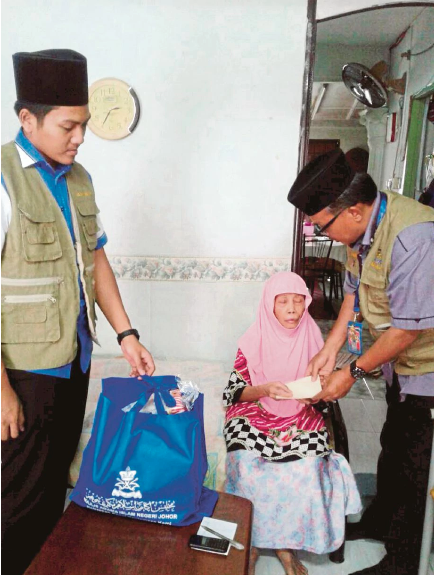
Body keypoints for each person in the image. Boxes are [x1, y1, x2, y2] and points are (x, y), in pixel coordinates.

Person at [1, 49, 155, 575]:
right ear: (28, 119)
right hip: (24, 369)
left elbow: (96, 259)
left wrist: (127, 334)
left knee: (54, 488)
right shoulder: (3, 178)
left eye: (84, 125)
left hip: (75, 359)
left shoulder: (79, 178)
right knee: (18, 497)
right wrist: (1, 389)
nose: (80, 137)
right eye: (68, 126)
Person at [287, 148, 434, 575]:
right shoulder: (363, 230)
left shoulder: (413, 236)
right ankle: (380, 520)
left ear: (353, 209)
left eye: (324, 225)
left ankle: (403, 562)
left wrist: (350, 372)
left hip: (427, 367)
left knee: (416, 463)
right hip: (401, 366)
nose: (325, 234)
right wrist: (328, 349)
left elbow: (406, 331)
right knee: (394, 445)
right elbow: (353, 294)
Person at [223, 271, 361, 575]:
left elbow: (323, 388)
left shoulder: (313, 337)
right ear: (269, 305)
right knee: (245, 463)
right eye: (283, 302)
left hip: (299, 412)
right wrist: (264, 389)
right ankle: (252, 543)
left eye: (299, 301)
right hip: (254, 411)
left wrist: (317, 392)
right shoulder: (253, 338)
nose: (292, 310)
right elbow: (233, 393)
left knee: (307, 465)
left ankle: (285, 547)